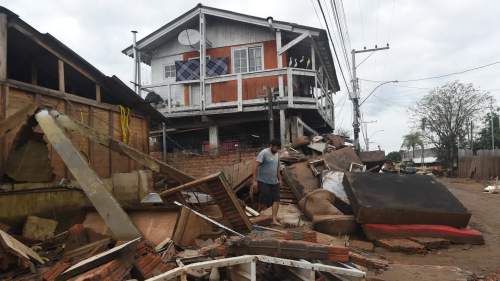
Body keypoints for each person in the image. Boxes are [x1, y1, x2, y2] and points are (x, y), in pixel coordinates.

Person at [252, 139, 282, 225]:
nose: (277, 150)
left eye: (278, 148)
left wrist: (280, 179)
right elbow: (255, 166)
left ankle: (274, 220)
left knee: (276, 199)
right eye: (276, 147)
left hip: (274, 182)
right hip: (263, 181)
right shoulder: (264, 153)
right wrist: (254, 181)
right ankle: (258, 214)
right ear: (271, 145)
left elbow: (277, 168)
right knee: (266, 198)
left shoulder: (277, 154)